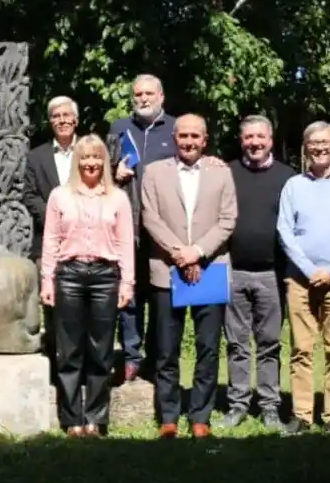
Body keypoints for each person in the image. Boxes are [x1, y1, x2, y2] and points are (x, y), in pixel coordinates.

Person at [140, 114, 237, 439]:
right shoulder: (154, 173)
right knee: (166, 350)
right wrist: (180, 252)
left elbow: (227, 219)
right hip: (166, 271)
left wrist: (197, 252)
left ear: (205, 139)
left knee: (208, 349)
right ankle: (169, 417)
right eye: (184, 136)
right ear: (174, 137)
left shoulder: (221, 173)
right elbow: (150, 217)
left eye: (196, 136)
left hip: (209, 268)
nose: (189, 141)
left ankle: (200, 416)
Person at [41, 134, 135, 438]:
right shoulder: (60, 195)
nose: (90, 163)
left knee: (101, 349)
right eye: (84, 157)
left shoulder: (117, 197)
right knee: (68, 350)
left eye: (96, 158)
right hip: (68, 274)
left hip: (105, 276)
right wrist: (47, 279)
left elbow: (125, 244)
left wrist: (127, 283)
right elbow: (50, 240)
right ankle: (72, 419)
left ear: (104, 162)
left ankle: (96, 417)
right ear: (76, 162)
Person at [276, 121, 330, 433]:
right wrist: (309, 270)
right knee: (301, 349)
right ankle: (302, 414)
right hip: (300, 280)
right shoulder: (293, 186)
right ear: (305, 148)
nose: (319, 147)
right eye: (313, 142)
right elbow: (284, 230)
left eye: (325, 142)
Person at [222, 115, 294, 431]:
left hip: (271, 274)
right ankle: (237, 404)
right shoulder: (226, 173)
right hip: (233, 272)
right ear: (241, 140)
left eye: (260, 137)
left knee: (269, 345)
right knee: (237, 344)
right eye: (249, 137)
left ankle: (269, 407)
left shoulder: (288, 177)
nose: (254, 143)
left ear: (270, 140)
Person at [108, 74, 176, 381]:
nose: (143, 99)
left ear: (162, 96)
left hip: (164, 229)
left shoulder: (176, 129)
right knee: (129, 295)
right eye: (138, 94)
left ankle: (155, 356)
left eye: (149, 93)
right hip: (126, 228)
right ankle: (132, 355)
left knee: (160, 295)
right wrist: (113, 170)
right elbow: (97, 168)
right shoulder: (119, 128)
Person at [23, 95, 79, 362]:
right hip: (48, 241)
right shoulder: (36, 157)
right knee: (53, 302)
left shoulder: (90, 152)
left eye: (67, 115)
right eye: (56, 116)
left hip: (87, 241)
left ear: (76, 119)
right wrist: (56, 221)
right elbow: (30, 195)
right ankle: (57, 365)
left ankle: (81, 362)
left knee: (82, 304)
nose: (62, 120)